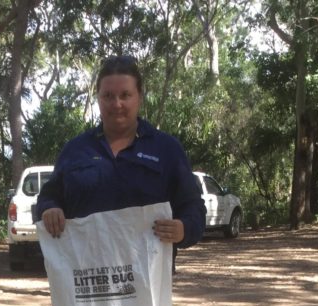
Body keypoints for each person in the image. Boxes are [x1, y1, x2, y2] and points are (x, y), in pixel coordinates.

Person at [37, 55, 205, 253]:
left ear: (139, 97)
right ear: (98, 99)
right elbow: (49, 196)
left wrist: (183, 230)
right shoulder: (75, 151)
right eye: (108, 96)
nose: (116, 104)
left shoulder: (167, 149)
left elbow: (193, 208)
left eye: (125, 95)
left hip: (147, 278)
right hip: (87, 276)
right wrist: (49, 208)